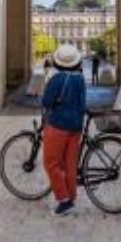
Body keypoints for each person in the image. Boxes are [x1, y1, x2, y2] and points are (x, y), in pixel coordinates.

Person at [41, 43, 87, 216]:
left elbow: (46, 102)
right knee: (70, 164)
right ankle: (71, 195)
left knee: (51, 163)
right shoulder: (80, 79)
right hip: (76, 126)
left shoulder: (57, 79)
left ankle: (64, 199)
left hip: (58, 125)